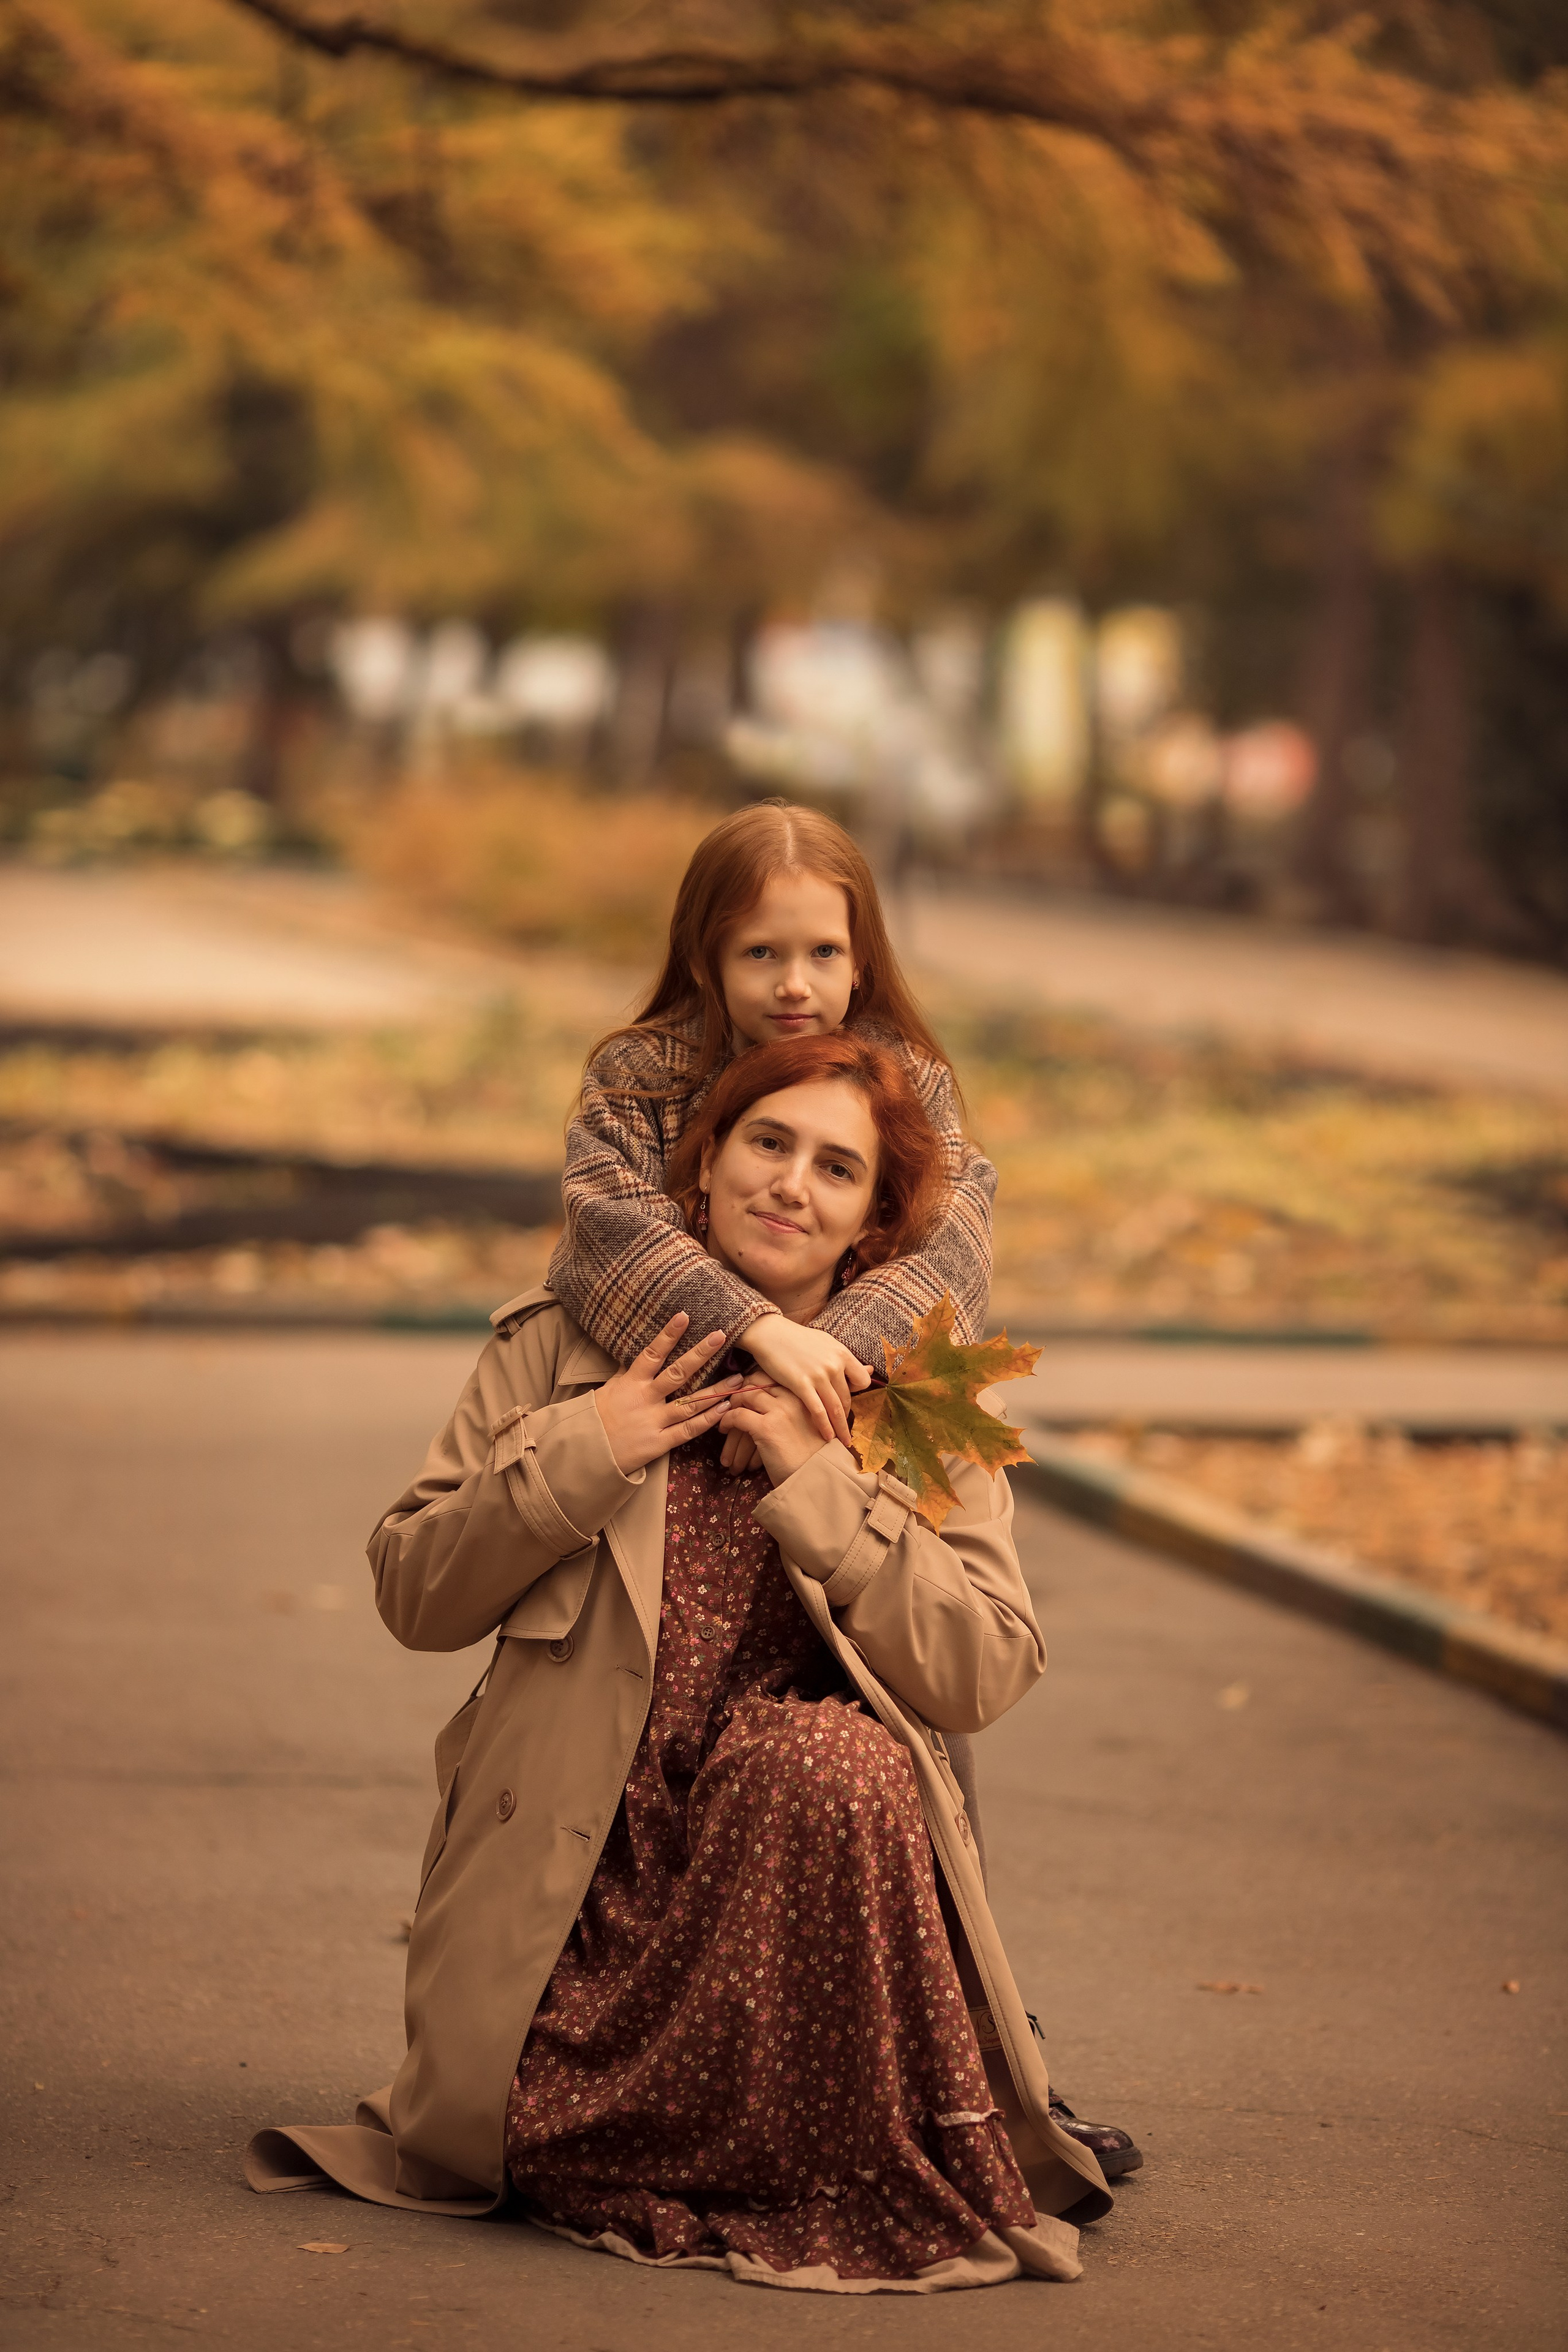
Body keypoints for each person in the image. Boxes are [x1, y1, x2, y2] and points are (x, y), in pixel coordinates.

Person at [248, 1037, 1114, 2290]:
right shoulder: (564, 1345)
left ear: (870, 1224)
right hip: (580, 1902)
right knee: (532, 2118)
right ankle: (656, 2126)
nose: (791, 1186)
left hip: (792, 1902)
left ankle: (795, 2139)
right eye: (767, 1144)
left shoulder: (910, 1399)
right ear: (702, 1166)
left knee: (825, 1758)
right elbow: (412, 1588)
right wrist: (584, 1451)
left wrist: (827, 1494)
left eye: (836, 1168)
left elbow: (984, 1666)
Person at [544, 796, 1139, 2184]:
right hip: (679, 1375)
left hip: (855, 1410)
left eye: (822, 951)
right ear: (706, 954)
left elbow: (946, 1263)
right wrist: (757, 1330)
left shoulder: (907, 1084)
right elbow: (605, 1232)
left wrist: (830, 1365)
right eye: (759, 954)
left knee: (897, 1721)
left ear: (864, 955)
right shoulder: (640, 1079)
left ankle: (987, 2057)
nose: (792, 985)